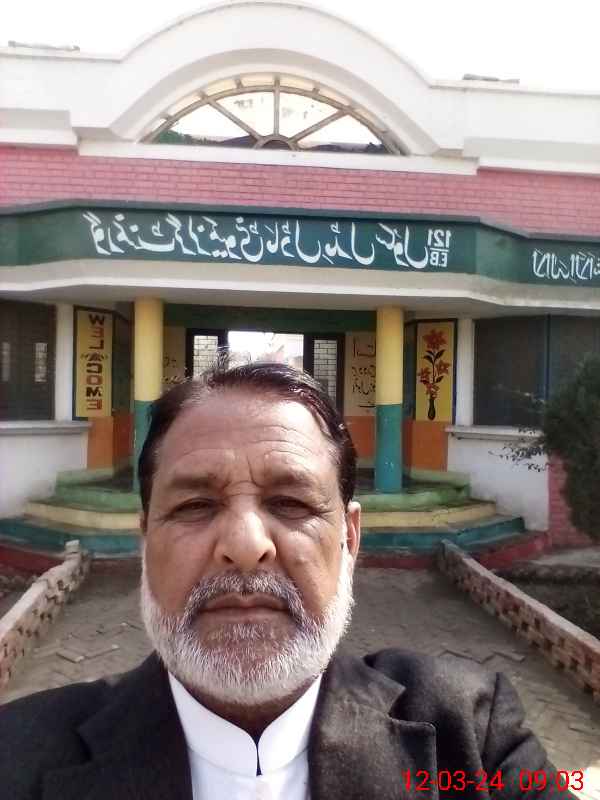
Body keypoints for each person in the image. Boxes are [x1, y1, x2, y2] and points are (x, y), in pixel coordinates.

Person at [0, 362, 575, 799]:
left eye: (291, 503)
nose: (246, 546)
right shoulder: (18, 754)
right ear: (145, 537)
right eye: (196, 505)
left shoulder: (471, 738)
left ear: (349, 538)